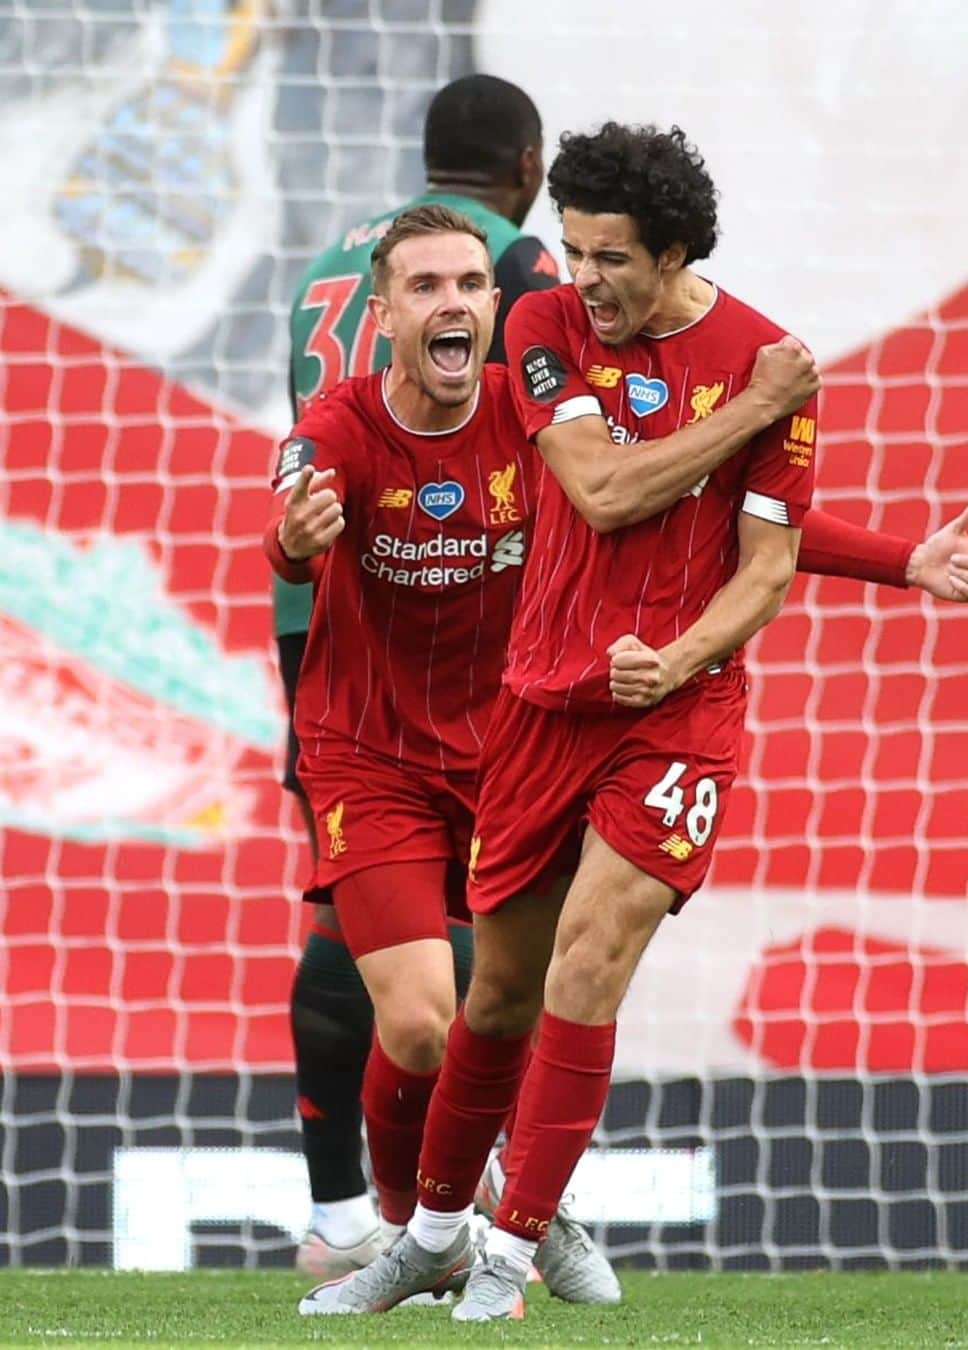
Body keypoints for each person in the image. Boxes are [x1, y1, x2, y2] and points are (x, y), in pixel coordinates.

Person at [302, 123, 968, 1323]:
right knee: (497, 999)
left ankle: (509, 1251)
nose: (578, 278)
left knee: (591, 964)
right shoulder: (551, 333)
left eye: (608, 258)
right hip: (540, 700)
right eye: (572, 249)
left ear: (675, 251)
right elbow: (602, 491)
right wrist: (748, 410)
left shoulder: (771, 361)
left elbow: (767, 561)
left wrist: (702, 651)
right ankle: (430, 1234)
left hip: (681, 709)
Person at [276, 74, 560, 1282]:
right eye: (432, 291)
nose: (453, 298)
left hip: (322, 608)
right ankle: (435, 1210)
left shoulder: (329, 263)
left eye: (464, 290)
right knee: (429, 952)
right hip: (404, 610)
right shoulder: (526, 262)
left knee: (360, 925)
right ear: (528, 164)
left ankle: (352, 1213)